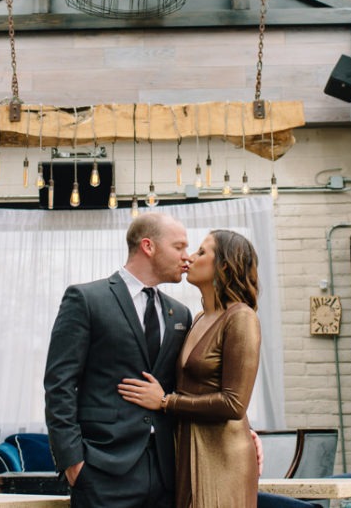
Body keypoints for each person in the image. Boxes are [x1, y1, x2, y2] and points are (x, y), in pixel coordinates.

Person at [44, 212, 194, 508]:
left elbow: (191, 386)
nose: (187, 257)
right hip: (102, 469)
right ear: (149, 247)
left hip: (166, 472)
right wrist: (73, 462)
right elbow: (59, 384)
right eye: (179, 247)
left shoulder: (180, 313)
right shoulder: (87, 299)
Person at [118, 229, 262, 508]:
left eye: (201, 252)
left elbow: (234, 404)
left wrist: (164, 402)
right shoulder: (196, 318)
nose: (190, 258)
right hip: (186, 449)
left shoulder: (241, 317)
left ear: (223, 264)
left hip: (222, 457)